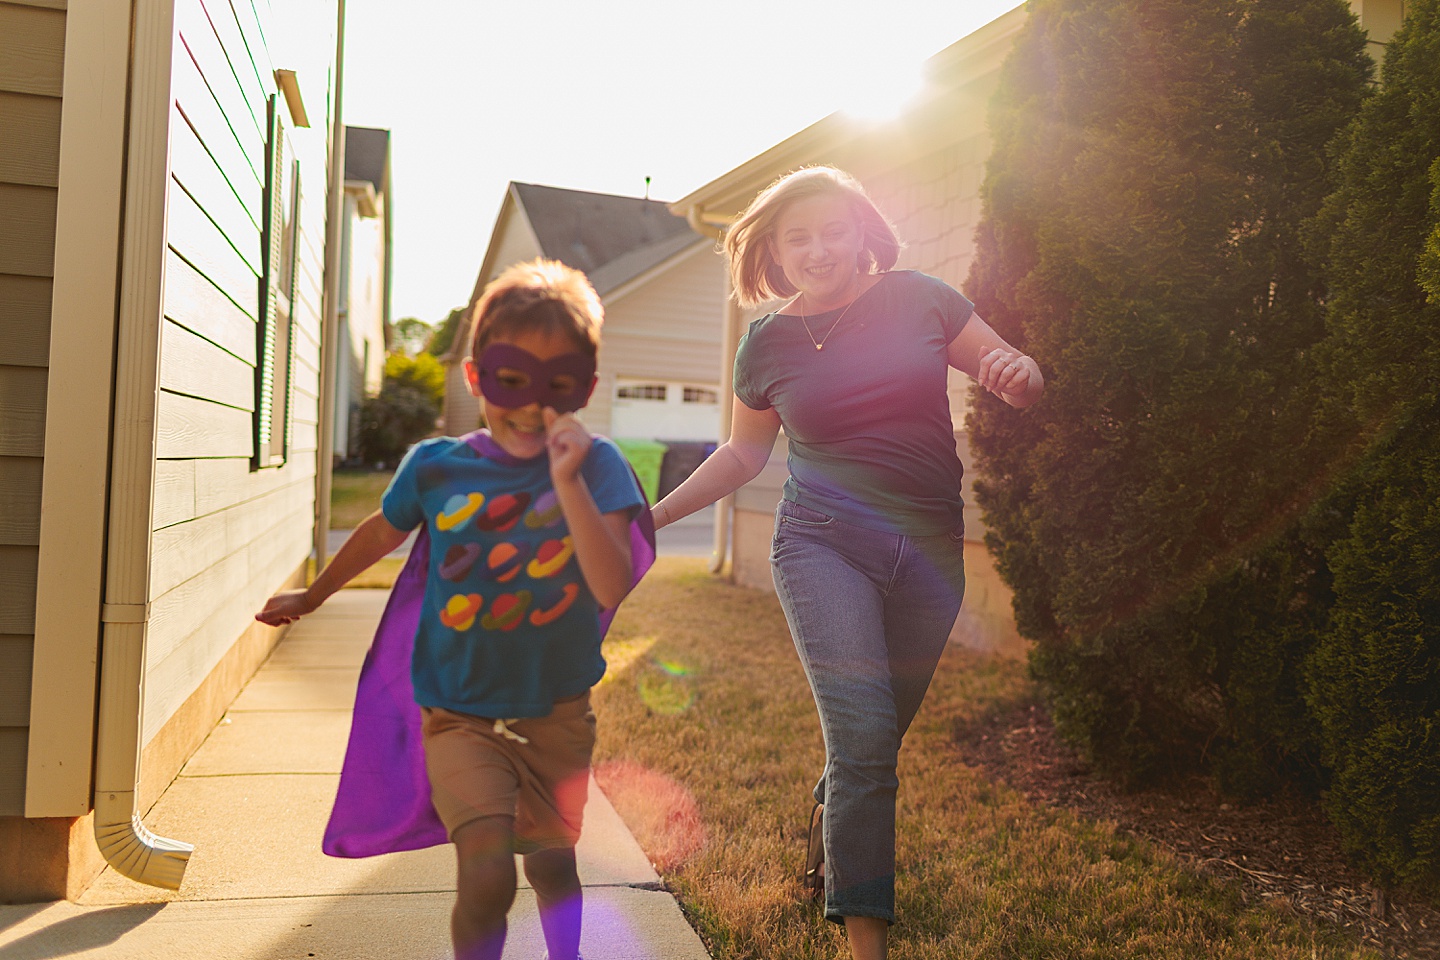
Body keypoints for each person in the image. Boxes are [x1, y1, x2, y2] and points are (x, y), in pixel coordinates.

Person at [651, 166, 1043, 959]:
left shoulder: (921, 299)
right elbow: (741, 455)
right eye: (798, 236)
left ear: (863, 230)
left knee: (871, 742)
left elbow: (1014, 372)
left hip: (930, 551)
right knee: (864, 738)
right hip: (821, 543)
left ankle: (823, 858)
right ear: (774, 249)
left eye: (833, 229)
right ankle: (865, 944)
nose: (818, 247)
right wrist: (652, 517)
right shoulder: (766, 343)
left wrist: (1019, 374)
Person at [257, 259, 646, 960]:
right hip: (458, 715)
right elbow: (381, 529)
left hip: (556, 714)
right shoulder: (436, 467)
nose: (531, 407)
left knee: (553, 866)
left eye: (556, 385)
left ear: (584, 386)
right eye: (512, 381)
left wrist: (567, 482)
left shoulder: (599, 466)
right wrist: (312, 595)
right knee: (487, 873)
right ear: (476, 377)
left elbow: (611, 582)